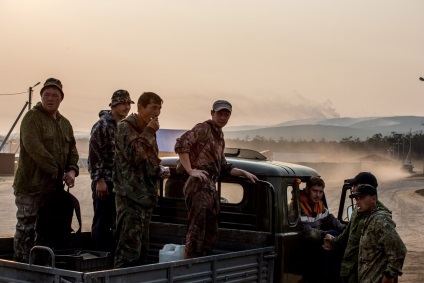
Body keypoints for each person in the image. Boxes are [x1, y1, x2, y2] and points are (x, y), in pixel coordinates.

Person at [174, 100, 258, 259]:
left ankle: (204, 262)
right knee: (197, 228)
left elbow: (223, 166)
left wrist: (243, 173)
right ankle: (191, 263)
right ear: (212, 113)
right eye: (220, 114)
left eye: (226, 115)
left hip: (210, 186)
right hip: (198, 185)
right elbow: (181, 144)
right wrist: (191, 170)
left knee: (211, 230)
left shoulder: (219, 135)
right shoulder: (204, 128)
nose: (223, 117)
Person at [13, 78, 79, 263]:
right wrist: (55, 169)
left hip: (52, 190)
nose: (50, 99)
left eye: (55, 96)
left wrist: (72, 171)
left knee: (48, 230)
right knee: (27, 228)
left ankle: (43, 267)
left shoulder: (65, 124)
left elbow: (72, 151)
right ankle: (21, 268)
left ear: (61, 99)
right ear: (41, 97)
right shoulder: (32, 118)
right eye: (47, 95)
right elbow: (33, 146)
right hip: (30, 187)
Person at [113, 92, 169, 268]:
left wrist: (158, 170)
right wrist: (150, 131)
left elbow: (149, 158)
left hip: (146, 197)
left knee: (142, 250)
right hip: (130, 197)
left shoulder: (148, 129)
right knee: (128, 250)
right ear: (140, 108)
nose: (157, 112)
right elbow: (134, 155)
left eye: (159, 108)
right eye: (153, 107)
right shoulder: (125, 127)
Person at [323, 172, 391, 283]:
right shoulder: (359, 208)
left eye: (355, 186)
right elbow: (348, 232)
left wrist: (389, 275)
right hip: (350, 267)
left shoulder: (379, 215)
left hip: (365, 272)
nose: (353, 189)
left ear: (367, 188)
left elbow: (395, 251)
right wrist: (333, 242)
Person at [88, 89, 133, 253]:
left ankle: (112, 256)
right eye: (123, 103)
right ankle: (98, 256)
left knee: (116, 222)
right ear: (113, 104)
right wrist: (99, 180)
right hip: (104, 183)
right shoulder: (101, 126)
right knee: (102, 221)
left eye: (128, 104)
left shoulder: (123, 127)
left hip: (119, 183)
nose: (126, 107)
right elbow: (94, 155)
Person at [349, 184, 407, 283]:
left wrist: (389, 276)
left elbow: (399, 250)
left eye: (362, 198)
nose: (358, 202)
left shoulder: (379, 220)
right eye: (356, 199)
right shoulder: (368, 218)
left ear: (373, 199)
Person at [299, 176, 345, 283]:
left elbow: (329, 219)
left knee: (337, 234)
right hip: (303, 245)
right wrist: (325, 236)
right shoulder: (298, 206)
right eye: (315, 191)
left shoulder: (318, 205)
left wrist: (344, 228)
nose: (318, 195)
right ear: (307, 190)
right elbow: (307, 233)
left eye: (321, 192)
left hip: (316, 240)